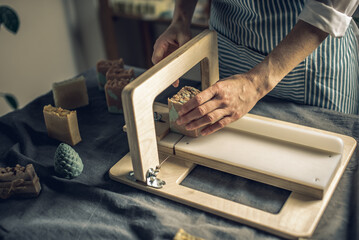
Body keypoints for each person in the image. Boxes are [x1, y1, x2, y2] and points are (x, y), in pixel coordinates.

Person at [152, 0, 359, 136]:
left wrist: (255, 83)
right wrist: (180, 19)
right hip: (228, 53)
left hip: (311, 67)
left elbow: (327, 10)